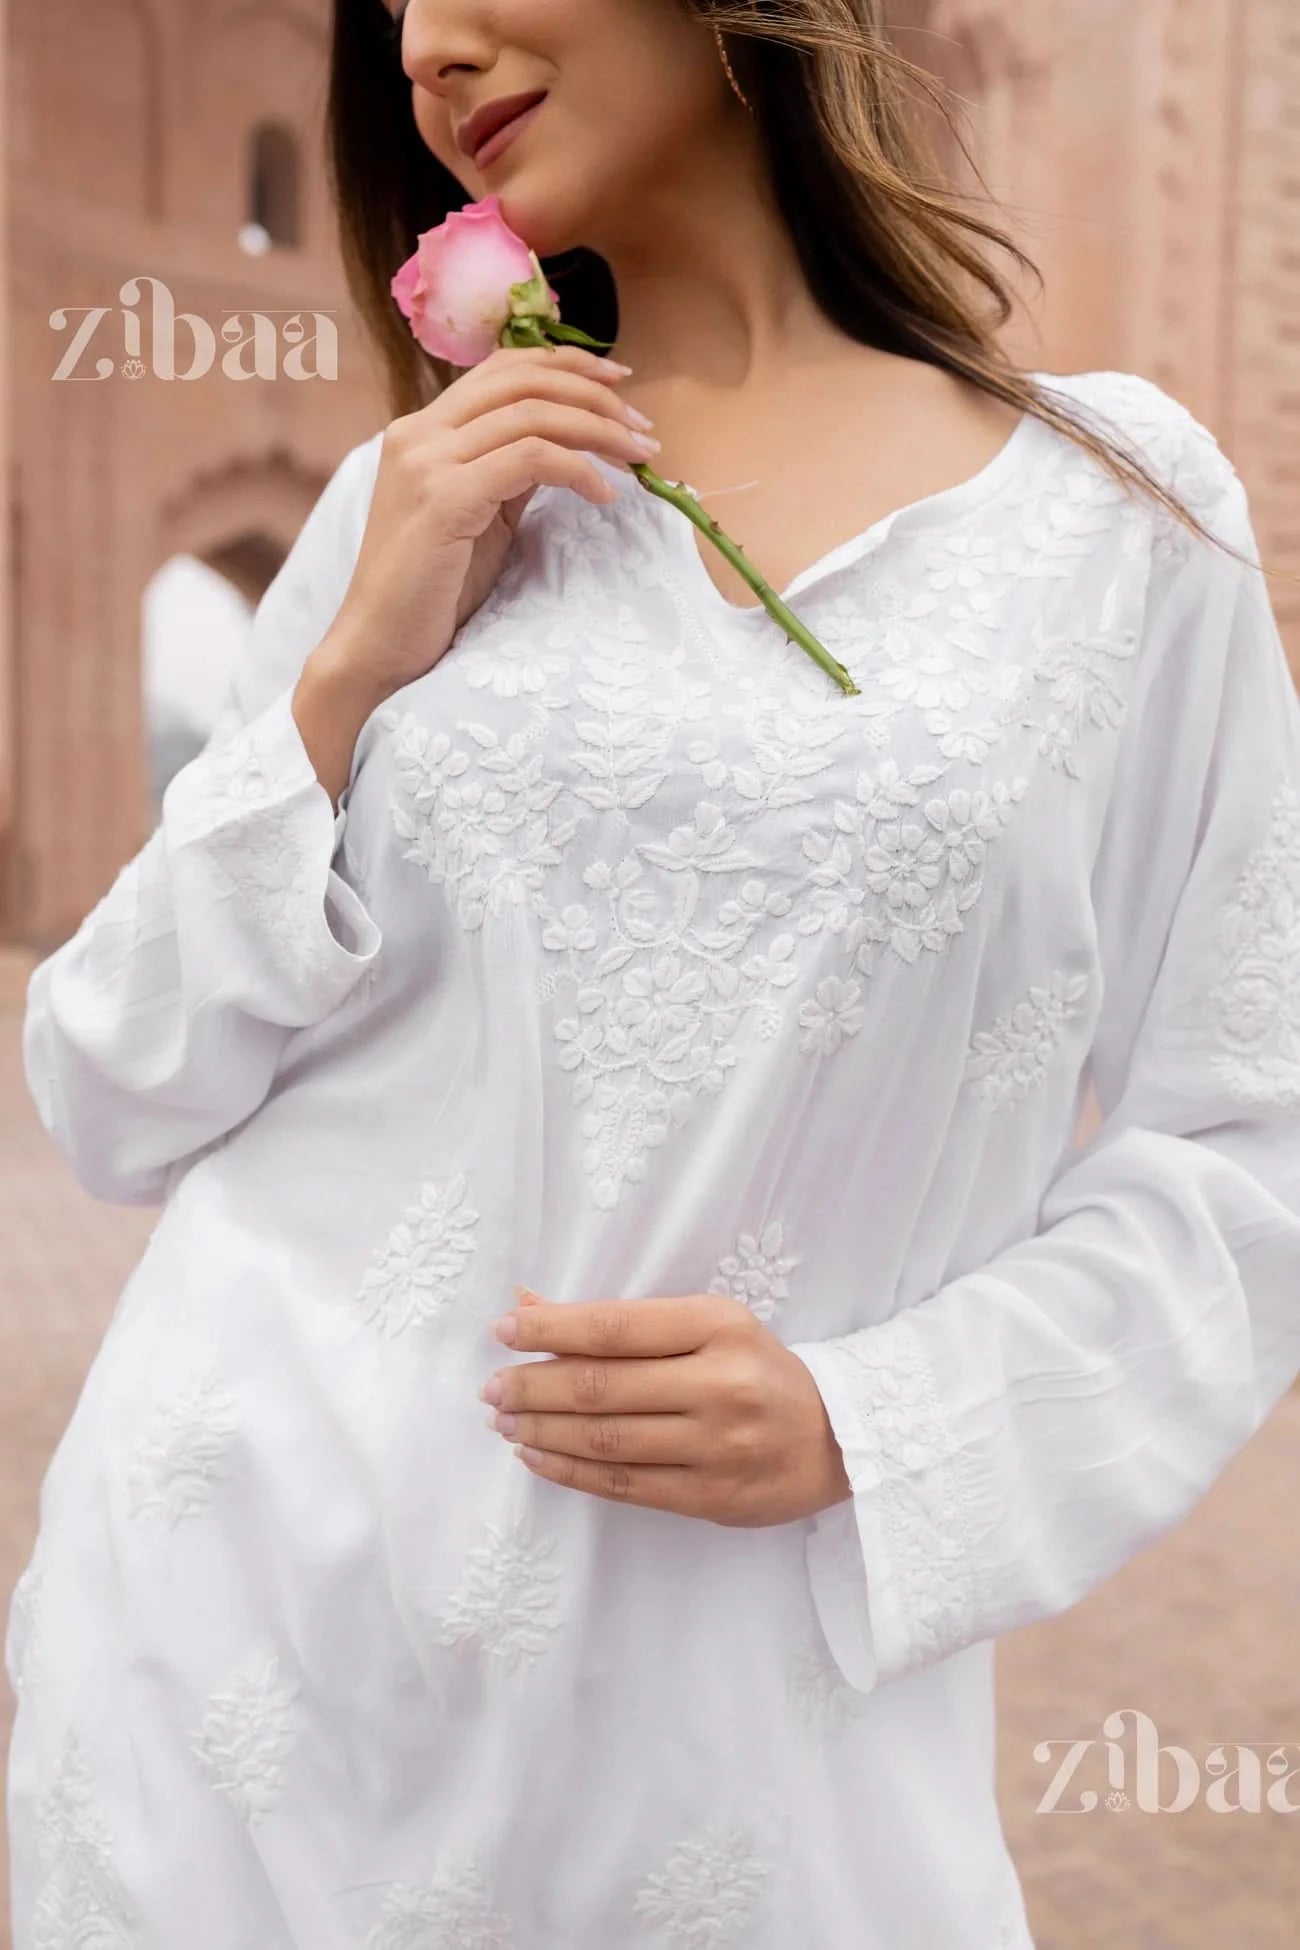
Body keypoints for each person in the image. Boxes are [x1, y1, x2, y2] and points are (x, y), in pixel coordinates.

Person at [7, 3, 1300, 1945]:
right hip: (229, 1676)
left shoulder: (1111, 513)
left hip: (727, 1763)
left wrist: (881, 1421)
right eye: (389, 12)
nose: (428, 48)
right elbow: (107, 1085)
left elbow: (1244, 1145)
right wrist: (352, 669)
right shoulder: (410, 503)